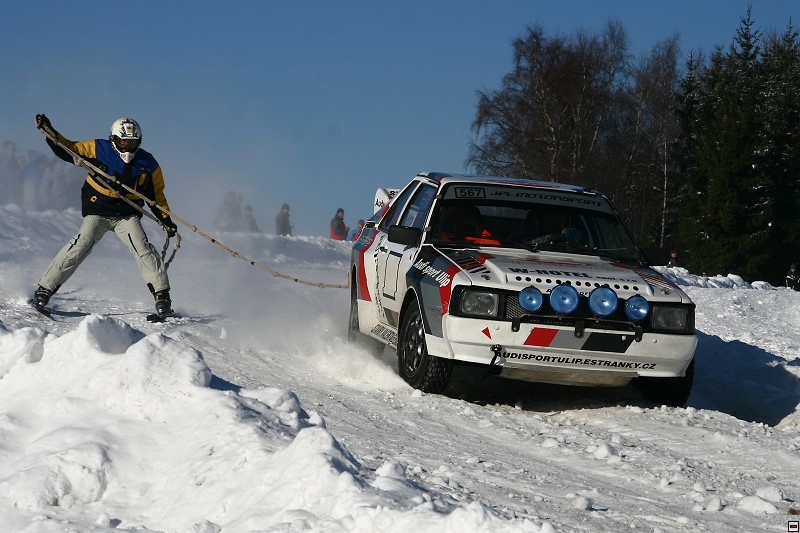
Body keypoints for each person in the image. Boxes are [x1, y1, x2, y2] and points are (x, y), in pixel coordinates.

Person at [31, 114, 178, 318]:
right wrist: (50, 132)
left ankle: (162, 297)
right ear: (114, 139)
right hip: (98, 212)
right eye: (124, 142)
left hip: (126, 216)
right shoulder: (98, 148)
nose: (128, 147)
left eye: (132, 143)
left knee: (143, 248)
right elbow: (68, 148)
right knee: (80, 245)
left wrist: (166, 220)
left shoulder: (149, 163)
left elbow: (156, 196)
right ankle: (44, 290)